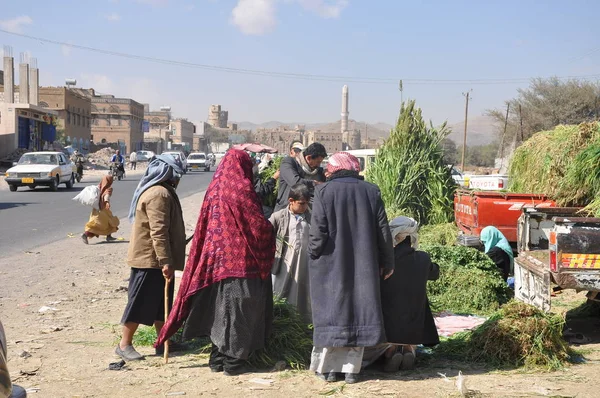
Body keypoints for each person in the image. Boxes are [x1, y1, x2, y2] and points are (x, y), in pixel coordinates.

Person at [156, 149, 276, 376]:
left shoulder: (214, 188)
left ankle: (218, 357)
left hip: (214, 263)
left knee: (220, 310)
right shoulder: (241, 189)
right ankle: (233, 361)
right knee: (240, 311)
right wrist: (270, 228)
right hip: (242, 263)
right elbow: (257, 226)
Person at [308, 152, 394, 384]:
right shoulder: (371, 191)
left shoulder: (324, 192)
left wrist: (313, 255)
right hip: (364, 265)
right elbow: (383, 231)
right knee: (359, 312)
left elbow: (317, 233)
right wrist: (388, 262)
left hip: (330, 265)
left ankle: (329, 371)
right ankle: (351, 372)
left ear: (335, 169)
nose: (325, 171)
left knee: (332, 313)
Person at [115, 155, 186, 361]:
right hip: (150, 259)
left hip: (157, 259)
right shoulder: (159, 194)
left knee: (159, 305)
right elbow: (158, 231)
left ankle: (163, 341)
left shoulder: (163, 192)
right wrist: (165, 261)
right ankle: (124, 344)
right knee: (139, 303)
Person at [378, 216, 440, 372]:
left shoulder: (383, 261)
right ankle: (408, 350)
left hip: (387, 325)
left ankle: (391, 352)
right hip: (414, 325)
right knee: (417, 298)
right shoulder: (423, 258)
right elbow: (435, 273)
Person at [269, 183, 312, 322]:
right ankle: (282, 321)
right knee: (281, 291)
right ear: (291, 201)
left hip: (305, 264)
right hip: (284, 264)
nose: (305, 207)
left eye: (307, 203)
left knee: (304, 293)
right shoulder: (278, 217)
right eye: (301, 203)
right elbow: (266, 235)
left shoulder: (311, 216)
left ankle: (303, 323)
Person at [274, 142, 327, 212]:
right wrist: (314, 183)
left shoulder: (318, 171)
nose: (319, 165)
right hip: (286, 211)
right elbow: (295, 182)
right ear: (308, 157)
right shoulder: (288, 163)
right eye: (317, 162)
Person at [81, 175, 120, 244]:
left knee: (101, 223)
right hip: (103, 209)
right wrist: (107, 202)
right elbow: (106, 195)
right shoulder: (108, 188)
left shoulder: (99, 187)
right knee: (103, 223)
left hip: (96, 209)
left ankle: (109, 236)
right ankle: (85, 235)